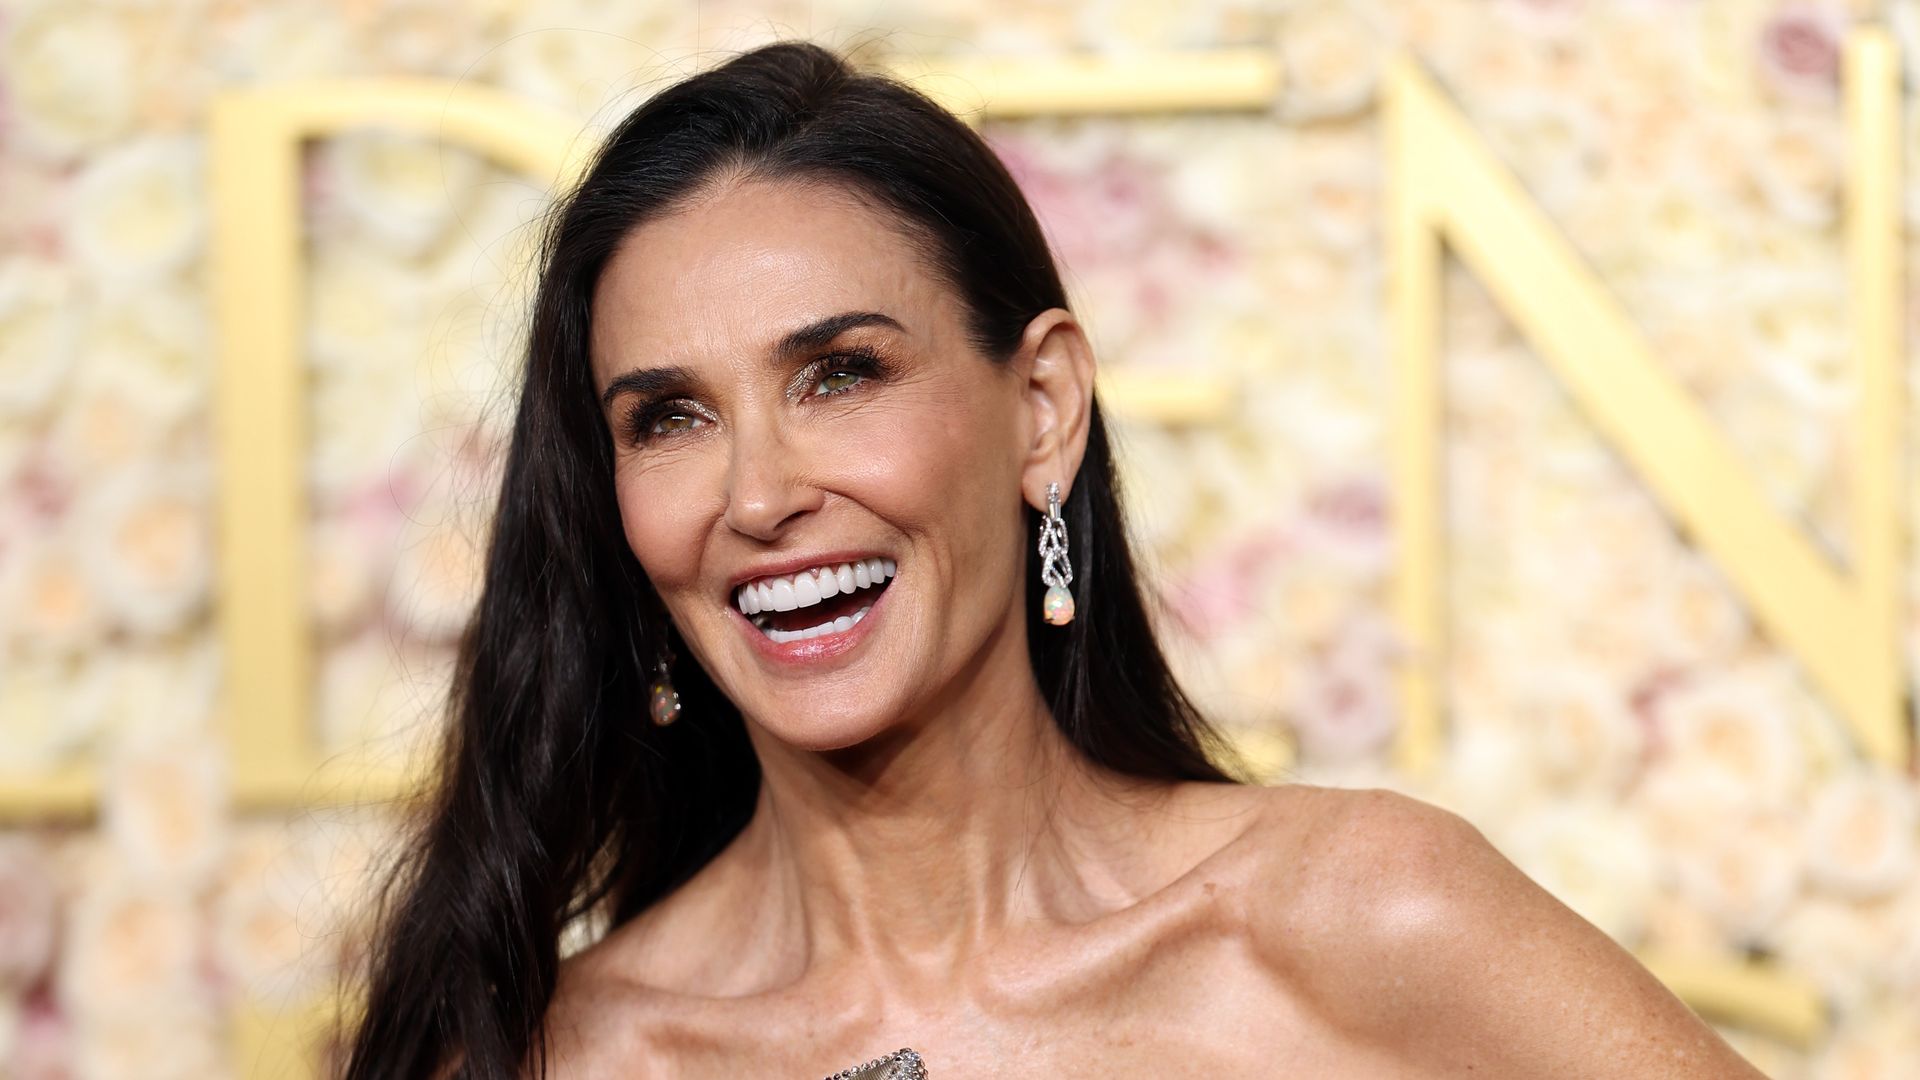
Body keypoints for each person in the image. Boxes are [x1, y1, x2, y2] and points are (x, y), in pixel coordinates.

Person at [338, 40, 1767, 1080]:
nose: (759, 494)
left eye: (839, 374)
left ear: (1042, 411)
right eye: (670, 418)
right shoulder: (559, 1054)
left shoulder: (1361, 922)